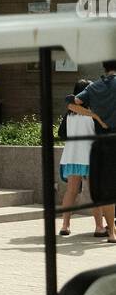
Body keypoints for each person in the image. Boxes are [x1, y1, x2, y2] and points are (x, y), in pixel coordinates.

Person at [69, 62, 116, 242]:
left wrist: (95, 116)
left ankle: (111, 232)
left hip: (103, 142)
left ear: (104, 67)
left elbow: (71, 103)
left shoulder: (94, 86)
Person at [58, 79, 107, 238]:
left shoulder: (69, 113)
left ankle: (65, 225)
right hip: (90, 156)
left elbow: (61, 134)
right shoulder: (94, 112)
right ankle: (99, 227)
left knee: (71, 191)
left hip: (72, 155)